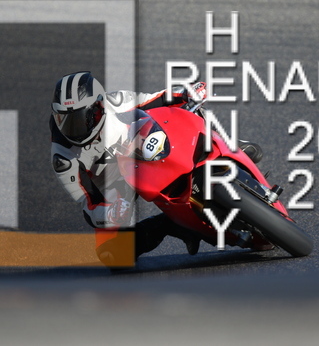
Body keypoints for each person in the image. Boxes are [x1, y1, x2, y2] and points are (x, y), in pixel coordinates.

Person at [49, 71, 263, 263]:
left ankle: (227, 144)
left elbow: (157, 98)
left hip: (139, 150)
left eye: (82, 118)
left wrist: (187, 92)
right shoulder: (63, 158)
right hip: (114, 186)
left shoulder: (116, 102)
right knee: (113, 255)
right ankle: (170, 224)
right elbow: (88, 205)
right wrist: (109, 212)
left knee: (188, 110)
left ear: (100, 106)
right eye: (64, 120)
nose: (74, 129)